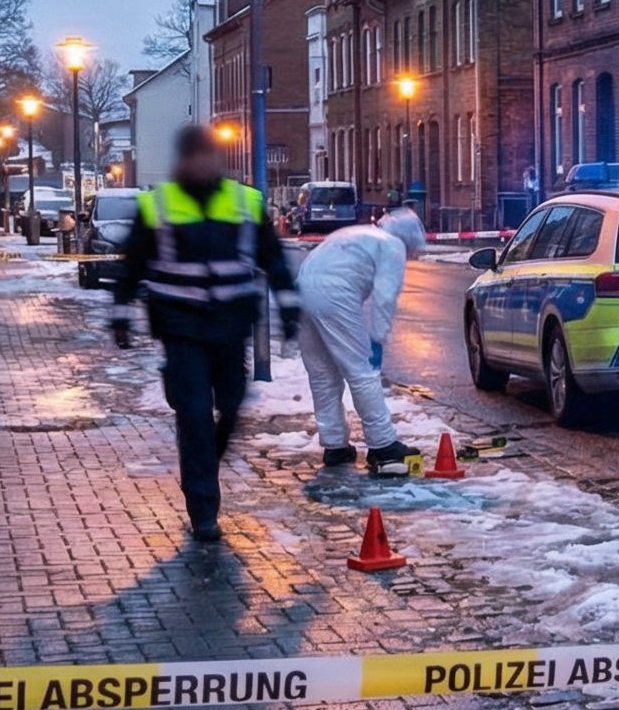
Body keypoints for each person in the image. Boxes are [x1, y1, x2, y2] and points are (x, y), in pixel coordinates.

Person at [110, 124, 299, 544]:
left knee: (231, 406)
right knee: (194, 414)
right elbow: (132, 263)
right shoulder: (158, 204)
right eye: (193, 155)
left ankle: (204, 461)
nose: (201, 162)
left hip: (231, 326)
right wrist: (120, 313)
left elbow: (274, 257)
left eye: (207, 154)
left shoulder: (245, 201)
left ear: (216, 158)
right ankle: (203, 510)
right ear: (181, 161)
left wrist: (289, 305)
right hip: (181, 328)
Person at [298, 205, 425, 474]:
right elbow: (385, 297)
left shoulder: (355, 233)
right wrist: (377, 338)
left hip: (302, 291)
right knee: (362, 372)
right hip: (334, 295)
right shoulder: (392, 246)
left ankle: (335, 446)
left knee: (322, 376)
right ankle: (383, 444)